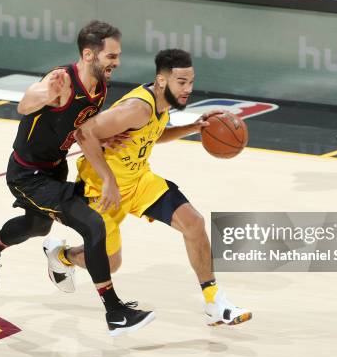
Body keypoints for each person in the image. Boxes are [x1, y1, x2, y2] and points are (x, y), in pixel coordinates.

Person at [0, 20, 154, 336]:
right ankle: (115, 311)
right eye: (111, 56)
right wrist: (42, 92)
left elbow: (78, 129)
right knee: (93, 223)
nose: (117, 62)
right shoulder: (62, 81)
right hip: (28, 175)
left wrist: (103, 141)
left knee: (37, 226)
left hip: (54, 168)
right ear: (89, 54)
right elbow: (25, 106)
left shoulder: (99, 87)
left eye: (118, 56)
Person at [46, 48, 252, 326]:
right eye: (182, 82)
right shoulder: (138, 107)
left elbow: (154, 134)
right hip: (101, 190)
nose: (188, 89)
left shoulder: (161, 105)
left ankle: (215, 301)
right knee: (112, 264)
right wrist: (107, 179)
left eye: (191, 82)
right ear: (162, 80)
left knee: (194, 223)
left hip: (138, 181)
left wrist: (193, 126)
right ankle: (62, 255)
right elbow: (84, 133)